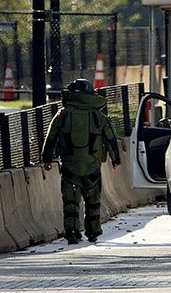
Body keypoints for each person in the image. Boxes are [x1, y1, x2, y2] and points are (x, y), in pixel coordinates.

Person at [42, 78, 121, 244]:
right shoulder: (99, 117)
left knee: (70, 201)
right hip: (92, 168)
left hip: (69, 167)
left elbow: (51, 137)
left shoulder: (62, 115)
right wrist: (116, 160)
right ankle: (93, 232)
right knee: (93, 200)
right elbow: (112, 139)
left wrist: (47, 158)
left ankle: (71, 231)